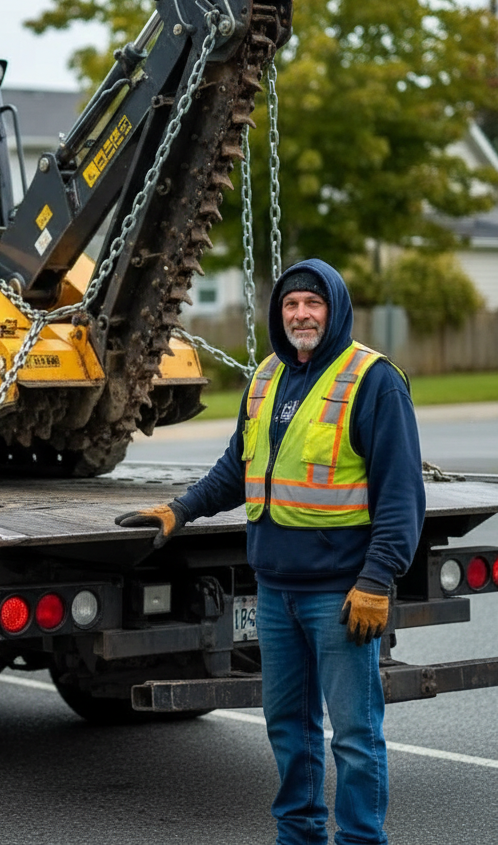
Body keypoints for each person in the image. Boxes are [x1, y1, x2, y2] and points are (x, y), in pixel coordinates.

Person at [116, 258, 425, 845]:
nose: (300, 315)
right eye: (290, 305)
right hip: (277, 590)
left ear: (334, 310)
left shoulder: (374, 380)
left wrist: (378, 580)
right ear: (278, 313)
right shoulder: (266, 377)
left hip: (340, 595)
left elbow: (401, 495)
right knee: (288, 728)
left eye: (312, 304)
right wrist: (179, 510)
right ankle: (299, 836)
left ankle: (361, 839)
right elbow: (238, 467)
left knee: (355, 735)